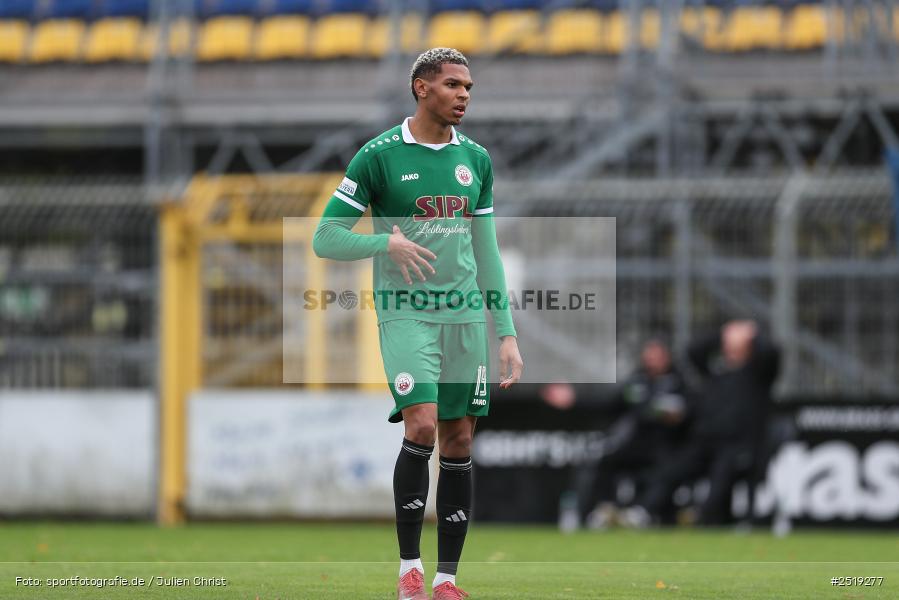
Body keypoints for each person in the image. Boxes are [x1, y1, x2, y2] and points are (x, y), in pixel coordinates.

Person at [312, 48, 524, 600]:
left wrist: (506, 333)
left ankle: (447, 579)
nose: (464, 95)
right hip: (406, 312)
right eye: (453, 84)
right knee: (423, 425)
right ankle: (409, 568)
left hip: (463, 319)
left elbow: (488, 251)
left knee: (459, 439)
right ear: (421, 87)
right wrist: (385, 241)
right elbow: (325, 236)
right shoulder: (378, 156)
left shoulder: (475, 160)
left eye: (469, 86)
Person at [622, 320, 780, 527]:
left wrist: (752, 334)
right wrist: (724, 333)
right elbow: (692, 350)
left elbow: (772, 353)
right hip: (704, 441)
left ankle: (710, 522)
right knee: (669, 473)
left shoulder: (757, 373)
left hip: (736, 445)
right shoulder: (716, 370)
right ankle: (643, 512)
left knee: (717, 492)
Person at [541, 339, 689, 528]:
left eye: (657, 356)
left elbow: (689, 412)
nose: (652, 360)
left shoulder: (680, 383)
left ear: (667, 357)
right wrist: (574, 399)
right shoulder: (637, 382)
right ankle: (594, 512)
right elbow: (608, 402)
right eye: (649, 355)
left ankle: (642, 513)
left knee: (669, 470)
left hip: (667, 446)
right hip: (635, 446)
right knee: (598, 461)